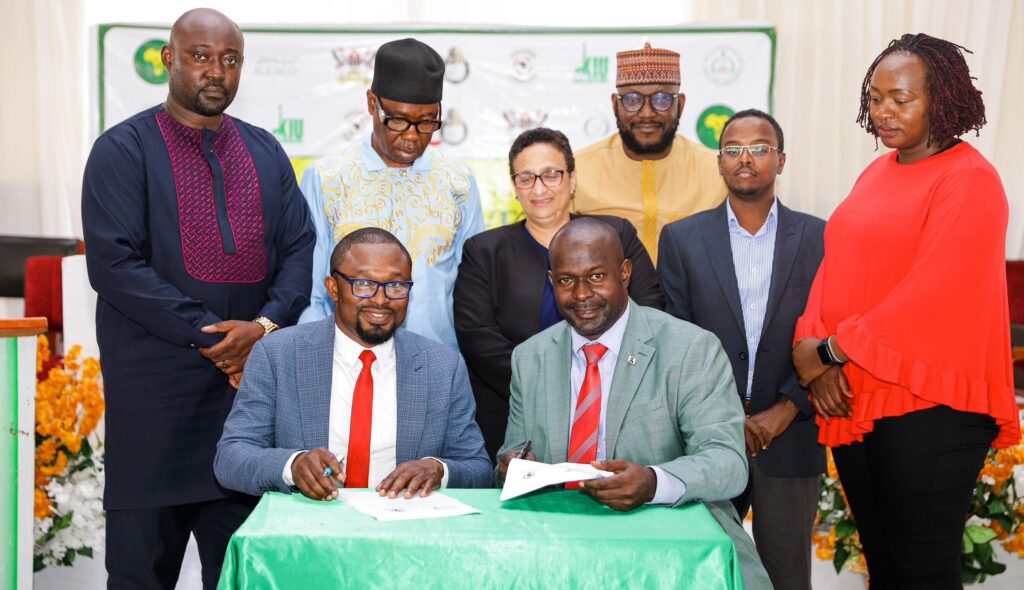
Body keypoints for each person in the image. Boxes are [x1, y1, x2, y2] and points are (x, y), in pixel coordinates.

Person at [81, 8, 314, 589]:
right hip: (154, 406)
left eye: (229, 59)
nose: (216, 71)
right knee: (140, 575)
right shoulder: (123, 149)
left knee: (244, 575)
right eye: (201, 56)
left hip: (247, 406)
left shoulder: (265, 151)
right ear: (169, 58)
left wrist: (263, 328)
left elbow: (300, 248)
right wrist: (212, 334)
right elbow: (114, 265)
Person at [792, 34, 1021, 588]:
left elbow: (931, 293)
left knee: (922, 572)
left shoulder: (969, 179)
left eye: (901, 99)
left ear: (942, 99)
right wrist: (811, 348)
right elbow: (835, 265)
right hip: (858, 393)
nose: (883, 112)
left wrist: (829, 351)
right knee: (885, 565)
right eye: (875, 99)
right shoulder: (877, 172)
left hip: (931, 404)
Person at [497, 217, 772, 589]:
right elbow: (513, 453)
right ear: (551, 281)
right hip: (561, 542)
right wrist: (512, 466)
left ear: (624, 273)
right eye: (566, 280)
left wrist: (654, 482)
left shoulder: (690, 348)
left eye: (596, 276)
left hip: (672, 547)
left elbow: (728, 463)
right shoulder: (531, 357)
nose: (581, 294)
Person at [658, 109, 825, 589]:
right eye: (732, 149)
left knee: (786, 577)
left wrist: (786, 409)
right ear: (719, 162)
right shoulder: (682, 239)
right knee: (702, 574)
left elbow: (829, 334)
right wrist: (726, 417)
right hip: (704, 437)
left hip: (791, 434)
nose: (745, 158)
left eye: (759, 148)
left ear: (781, 160)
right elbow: (676, 341)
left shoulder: (820, 238)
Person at [215, 228, 491, 502]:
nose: (381, 300)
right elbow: (230, 458)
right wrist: (292, 466)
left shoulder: (443, 366)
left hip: (405, 522)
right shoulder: (278, 354)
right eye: (364, 284)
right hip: (309, 524)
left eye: (396, 286)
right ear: (333, 288)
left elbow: (477, 468)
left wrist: (438, 469)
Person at [453, 127, 665, 457]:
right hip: (518, 414)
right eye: (526, 178)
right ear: (514, 186)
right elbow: (478, 339)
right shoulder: (485, 251)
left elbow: (650, 312)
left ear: (573, 178)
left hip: (619, 403)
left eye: (551, 174)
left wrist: (602, 381)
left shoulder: (614, 235)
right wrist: (556, 387)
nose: (539, 188)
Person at [299, 37, 483, 351]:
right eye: (398, 120)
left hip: (435, 362)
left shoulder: (458, 182)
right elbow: (313, 290)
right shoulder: (327, 178)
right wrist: (312, 358)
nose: (412, 136)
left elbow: (474, 293)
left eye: (427, 122)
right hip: (346, 362)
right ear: (372, 104)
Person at [572, 42, 726, 264]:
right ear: (615, 104)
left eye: (662, 99)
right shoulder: (578, 170)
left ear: (680, 104)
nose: (646, 113)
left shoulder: (716, 172)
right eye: (632, 100)